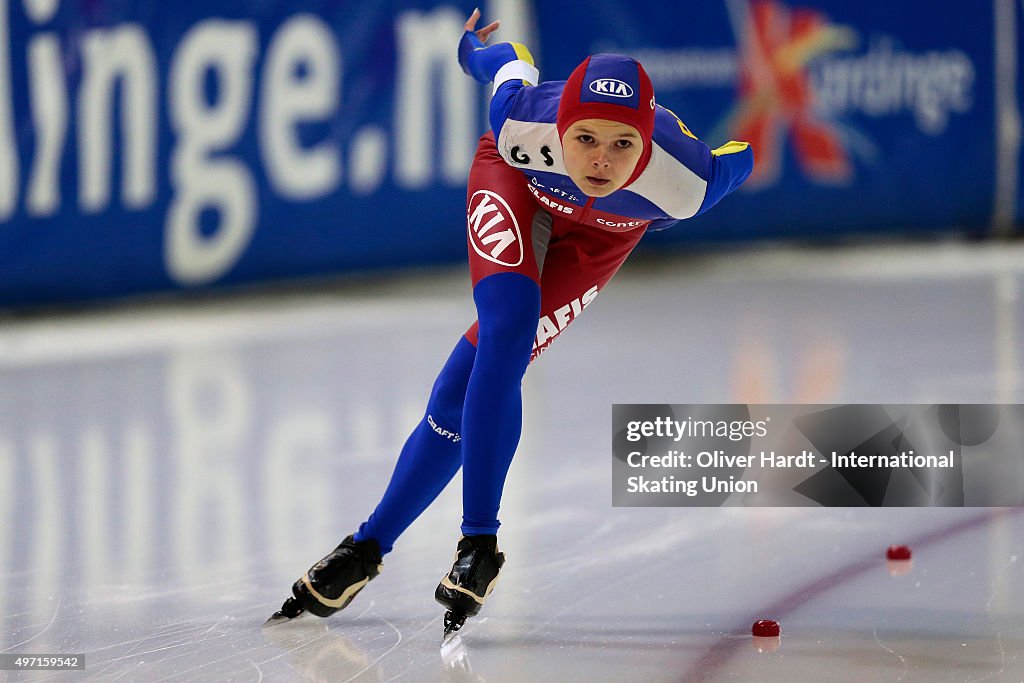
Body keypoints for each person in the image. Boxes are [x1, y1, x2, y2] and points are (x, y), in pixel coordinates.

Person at [267, 9, 754, 639]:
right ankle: (481, 544)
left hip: (602, 238)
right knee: (507, 331)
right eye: (584, 139)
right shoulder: (523, 119)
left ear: (645, 147)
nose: (600, 162)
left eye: (621, 145)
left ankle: (364, 550)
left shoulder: (684, 183)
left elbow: (737, 155)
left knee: (455, 394)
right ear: (561, 126)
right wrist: (471, 44)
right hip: (517, 184)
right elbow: (501, 61)